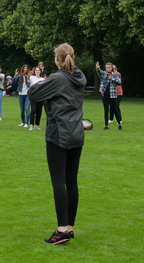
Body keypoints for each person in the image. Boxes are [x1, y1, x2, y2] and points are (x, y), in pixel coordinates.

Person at [28, 43, 86, 244]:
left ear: (57, 59)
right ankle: (69, 227)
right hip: (77, 133)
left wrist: (44, 83)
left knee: (58, 180)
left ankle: (61, 229)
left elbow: (33, 94)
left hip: (58, 134)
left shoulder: (58, 78)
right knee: (71, 180)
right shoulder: (79, 76)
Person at [97, 61, 122, 130]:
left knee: (115, 109)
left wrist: (112, 79)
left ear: (112, 68)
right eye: (107, 68)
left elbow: (119, 82)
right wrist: (97, 69)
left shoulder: (115, 75)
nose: (108, 69)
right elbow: (99, 73)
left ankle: (119, 124)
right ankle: (106, 126)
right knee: (106, 110)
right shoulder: (104, 74)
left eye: (109, 67)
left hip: (113, 95)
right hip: (105, 94)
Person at [28, 65, 45, 131]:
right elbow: (28, 79)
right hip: (34, 96)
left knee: (39, 111)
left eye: (38, 70)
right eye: (36, 70)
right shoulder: (32, 77)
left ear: (40, 71)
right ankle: (31, 125)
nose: (37, 71)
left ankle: (36, 125)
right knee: (33, 110)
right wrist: (29, 75)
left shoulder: (43, 79)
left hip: (40, 96)